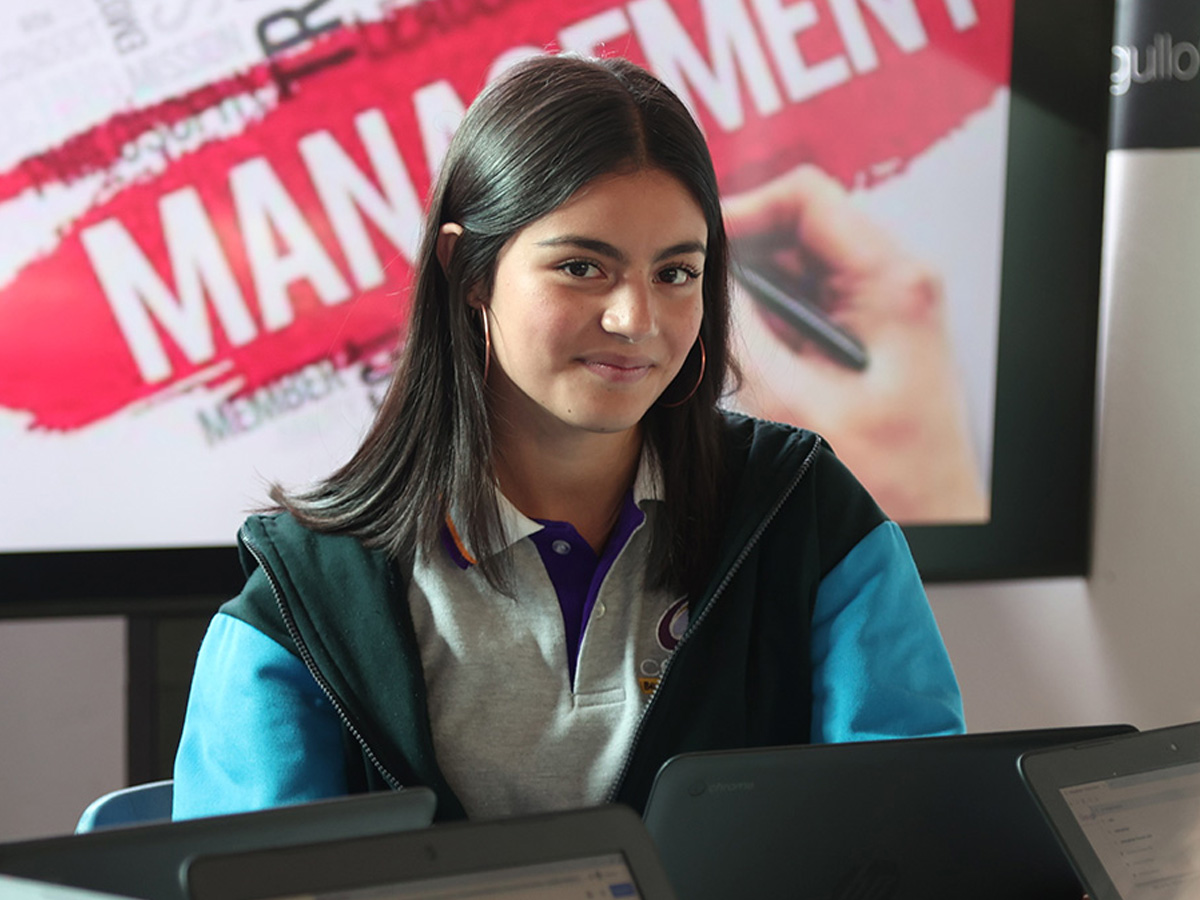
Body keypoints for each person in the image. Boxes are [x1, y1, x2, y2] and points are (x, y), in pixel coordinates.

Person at [173, 54, 964, 823]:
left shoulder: (807, 516)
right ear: (468, 271)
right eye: (583, 268)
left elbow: (910, 838)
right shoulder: (307, 593)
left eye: (676, 273)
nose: (636, 321)